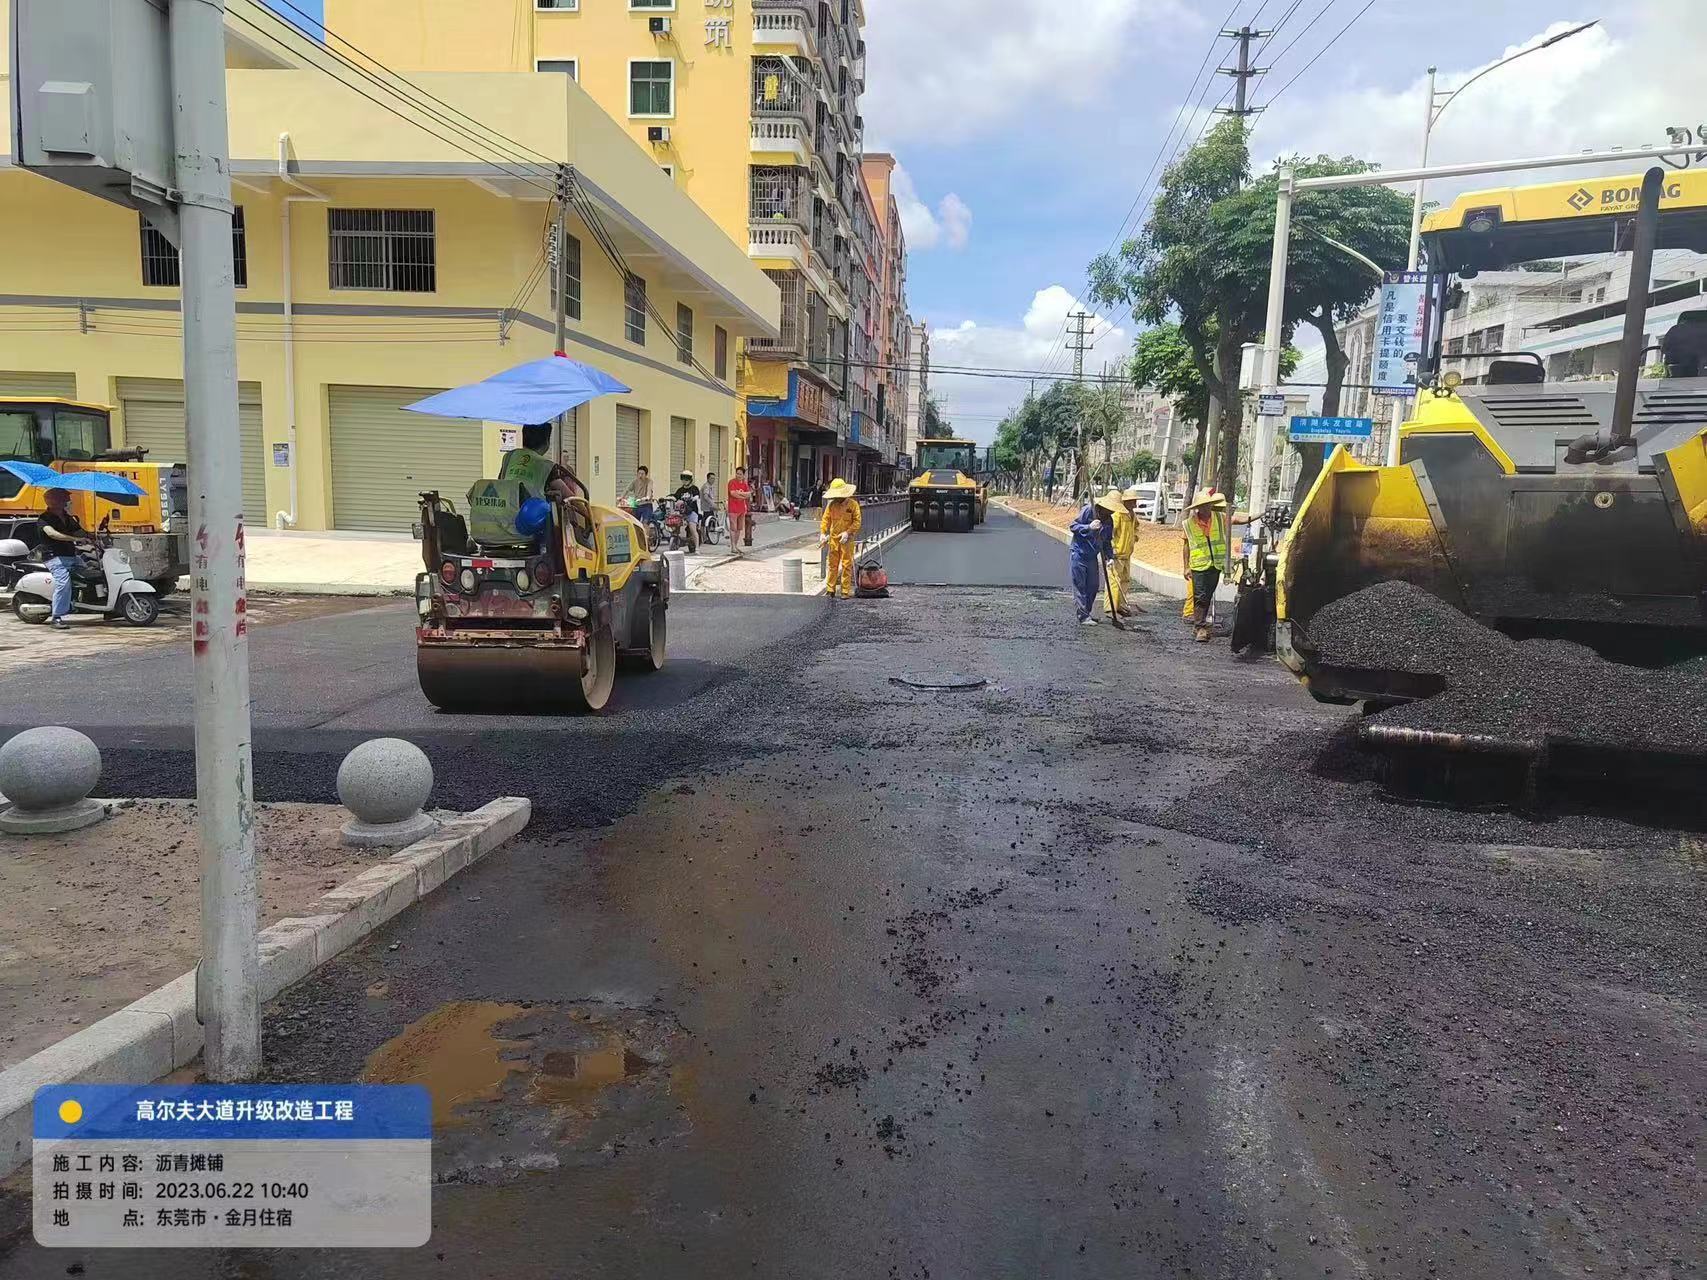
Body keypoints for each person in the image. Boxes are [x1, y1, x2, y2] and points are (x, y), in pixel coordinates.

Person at [1182, 488, 1231, 643]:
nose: (1206, 508)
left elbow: (1236, 520)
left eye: (1208, 505)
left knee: (1207, 595)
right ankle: (1200, 627)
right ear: (1198, 508)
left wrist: (1255, 516)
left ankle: (1200, 624)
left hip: (1214, 565)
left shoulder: (1219, 518)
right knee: (1200, 596)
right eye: (1203, 506)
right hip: (1198, 565)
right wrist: (1186, 566)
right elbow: (1186, 545)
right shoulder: (1189, 524)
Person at [38, 487, 88, 631]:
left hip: (70, 555)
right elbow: (53, 534)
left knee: (92, 572)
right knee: (63, 582)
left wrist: (91, 535)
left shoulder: (67, 517)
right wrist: (74, 539)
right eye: (64, 498)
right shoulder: (44, 519)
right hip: (54, 557)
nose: (68, 500)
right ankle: (56, 617)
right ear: (54, 500)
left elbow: (79, 530)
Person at [1069, 492, 1114, 626]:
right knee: (1080, 586)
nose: (1111, 511)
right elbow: (1073, 526)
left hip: (1092, 555)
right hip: (1079, 553)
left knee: (1093, 586)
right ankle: (1083, 616)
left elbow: (1107, 541)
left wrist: (1109, 557)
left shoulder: (1109, 520)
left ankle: (1086, 612)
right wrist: (1088, 527)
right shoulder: (1089, 511)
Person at [818, 478, 862, 601]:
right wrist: (822, 533)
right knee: (832, 565)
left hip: (847, 540)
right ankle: (830, 589)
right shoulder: (831, 505)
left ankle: (845, 591)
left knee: (846, 565)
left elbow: (857, 522)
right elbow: (826, 520)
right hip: (833, 539)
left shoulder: (853, 505)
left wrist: (848, 533)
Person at [1103, 486, 1141, 618]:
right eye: (1131, 501)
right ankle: (1110, 608)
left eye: (1134, 501)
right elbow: (1111, 533)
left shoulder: (1132, 515)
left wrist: (1135, 536)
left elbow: (1136, 526)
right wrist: (1110, 551)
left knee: (1124, 581)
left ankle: (1119, 605)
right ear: (1124, 501)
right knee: (1114, 581)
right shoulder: (1118, 515)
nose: (1134, 503)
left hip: (1127, 554)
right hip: (1117, 554)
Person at [726, 466, 753, 555]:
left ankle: (736, 546)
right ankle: (732, 546)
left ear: (743, 475)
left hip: (742, 509)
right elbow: (733, 494)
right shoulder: (732, 482)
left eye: (740, 474)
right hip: (733, 509)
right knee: (733, 528)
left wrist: (740, 493)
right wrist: (743, 495)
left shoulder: (745, 484)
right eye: (737, 473)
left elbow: (749, 494)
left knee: (739, 529)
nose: (738, 475)